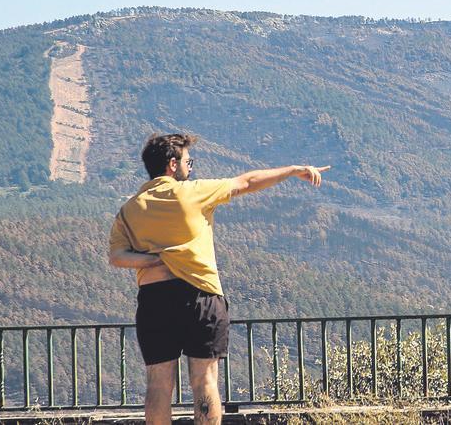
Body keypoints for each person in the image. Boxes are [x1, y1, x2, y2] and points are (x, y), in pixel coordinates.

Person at [107, 134, 329, 425]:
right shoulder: (193, 192)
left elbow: (117, 256)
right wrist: (292, 170)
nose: (191, 167)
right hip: (200, 294)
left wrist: (155, 259)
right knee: (205, 381)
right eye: (189, 161)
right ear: (173, 165)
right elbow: (247, 182)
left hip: (154, 299)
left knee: (158, 385)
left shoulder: (131, 208)